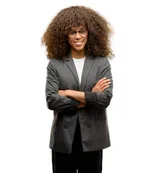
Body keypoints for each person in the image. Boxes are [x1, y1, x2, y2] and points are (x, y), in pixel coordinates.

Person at [43, 6, 114, 173]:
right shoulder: (55, 64)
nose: (77, 37)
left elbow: (105, 99)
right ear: (64, 36)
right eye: (72, 32)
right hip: (63, 140)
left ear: (90, 33)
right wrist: (91, 96)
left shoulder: (101, 62)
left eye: (82, 31)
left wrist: (68, 92)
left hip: (93, 139)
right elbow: (51, 100)